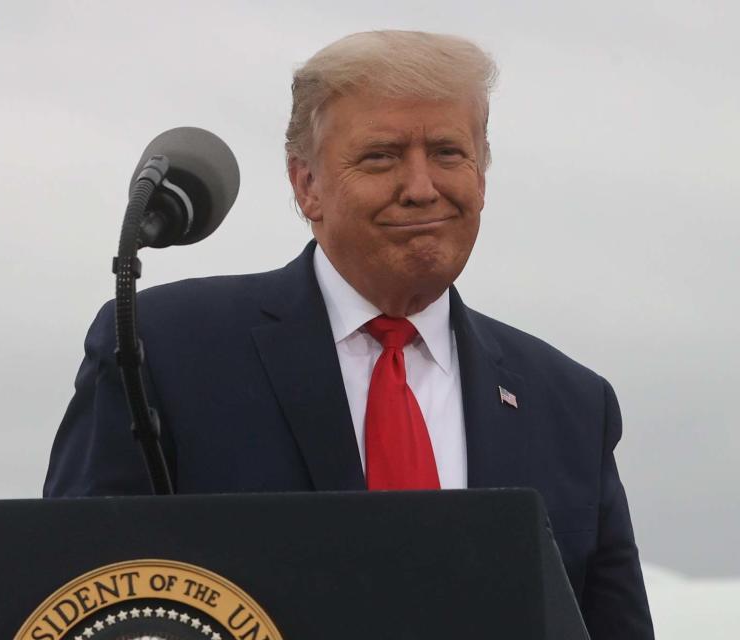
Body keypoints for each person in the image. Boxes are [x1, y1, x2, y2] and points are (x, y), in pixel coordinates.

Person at [45, 30, 654, 639]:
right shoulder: (164, 351)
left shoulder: (571, 405)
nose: (421, 187)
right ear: (306, 184)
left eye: (448, 153)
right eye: (381, 156)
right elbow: (69, 601)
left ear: (482, 175)